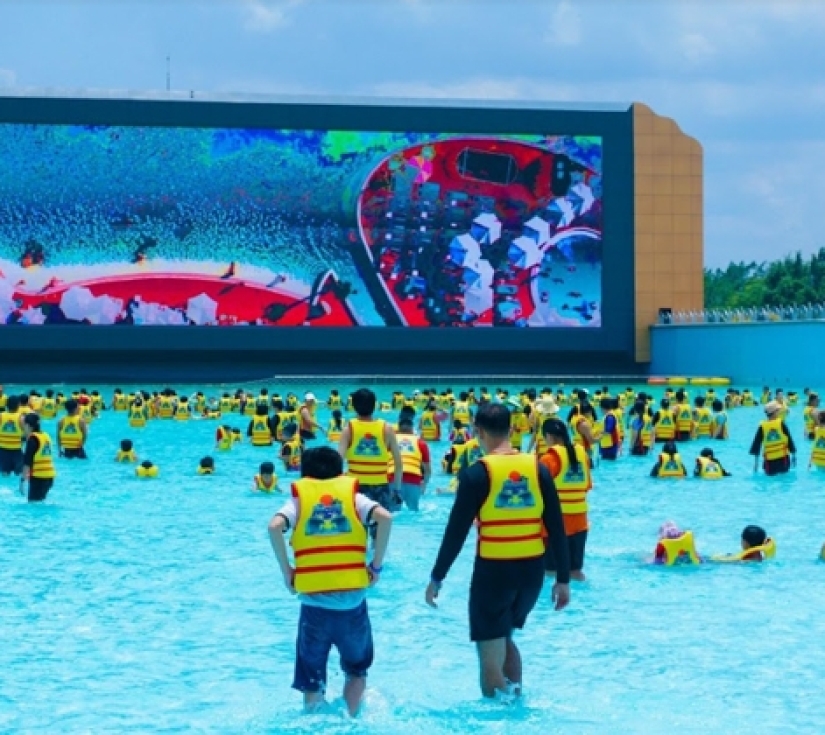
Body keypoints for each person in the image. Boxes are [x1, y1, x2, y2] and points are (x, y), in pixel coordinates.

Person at [425, 403, 570, 701]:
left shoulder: (477, 474)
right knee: (505, 637)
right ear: (513, 429)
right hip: (532, 574)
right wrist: (563, 579)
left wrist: (437, 577)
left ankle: (499, 720)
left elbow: (456, 533)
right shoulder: (537, 467)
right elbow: (557, 526)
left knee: (489, 655)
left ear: (477, 431)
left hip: (494, 573)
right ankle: (516, 701)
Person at [267, 446, 393, 717]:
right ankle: (350, 718)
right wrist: (376, 566)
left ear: (306, 475)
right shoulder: (355, 499)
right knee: (356, 671)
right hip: (352, 606)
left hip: (314, 608)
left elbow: (274, 526)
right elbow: (385, 517)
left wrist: (286, 571)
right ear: (340, 473)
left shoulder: (298, 502)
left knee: (312, 679)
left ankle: (315, 721)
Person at [539, 418, 592, 582]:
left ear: (548, 436)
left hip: (555, 526)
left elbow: (537, 493)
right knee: (576, 572)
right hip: (580, 522)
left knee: (551, 574)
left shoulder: (548, 459)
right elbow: (587, 486)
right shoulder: (582, 455)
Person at [338, 388, 403, 512]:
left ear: (354, 406)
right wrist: (397, 489)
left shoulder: (349, 429)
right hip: (381, 487)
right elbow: (398, 463)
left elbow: (338, 461)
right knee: (380, 526)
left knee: (359, 528)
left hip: (355, 486)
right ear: (375, 405)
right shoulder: (386, 428)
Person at [390, 416, 431, 511]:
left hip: (393, 478)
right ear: (412, 428)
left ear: (398, 428)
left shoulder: (391, 440)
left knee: (392, 512)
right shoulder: (421, 443)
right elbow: (428, 470)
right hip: (414, 480)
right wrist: (424, 483)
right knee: (413, 510)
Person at [749, 400, 796, 475]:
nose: (779, 412)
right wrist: (794, 455)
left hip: (769, 462)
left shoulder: (762, 427)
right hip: (783, 460)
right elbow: (789, 440)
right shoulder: (781, 424)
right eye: (778, 410)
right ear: (774, 412)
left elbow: (756, 446)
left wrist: (756, 465)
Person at [20, 413, 57, 503]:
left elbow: (27, 462)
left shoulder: (32, 440)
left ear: (28, 426)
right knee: (40, 501)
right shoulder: (46, 436)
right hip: (50, 477)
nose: (23, 428)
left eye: (24, 425)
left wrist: (22, 481)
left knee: (33, 503)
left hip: (39, 477)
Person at [0, 394, 25, 477]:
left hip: (3, 450)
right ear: (18, 405)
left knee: (5, 474)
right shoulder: (21, 418)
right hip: (17, 450)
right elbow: (26, 434)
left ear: (6, 405)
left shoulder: (1, 416)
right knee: (18, 474)